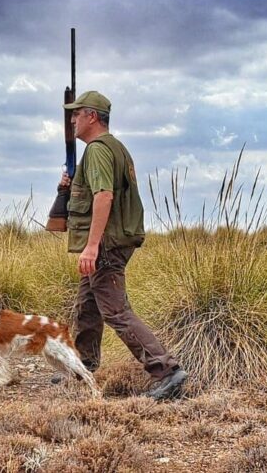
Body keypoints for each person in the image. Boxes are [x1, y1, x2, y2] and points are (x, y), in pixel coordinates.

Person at [55, 90, 187, 400]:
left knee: (115, 310)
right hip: (113, 239)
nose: (72, 119)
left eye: (77, 113)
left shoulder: (99, 150)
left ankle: (166, 370)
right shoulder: (116, 149)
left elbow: (104, 196)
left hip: (106, 244)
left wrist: (91, 246)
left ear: (92, 117)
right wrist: (71, 185)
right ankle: (83, 368)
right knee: (88, 306)